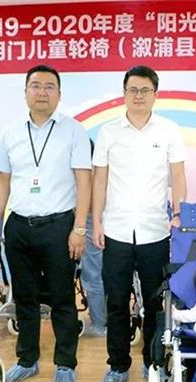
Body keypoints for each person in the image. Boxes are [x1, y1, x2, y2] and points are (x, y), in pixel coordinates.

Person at [0, 64, 91, 382]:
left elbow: (83, 181)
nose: (42, 92)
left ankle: (65, 363)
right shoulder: (10, 132)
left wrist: (79, 228)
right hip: (18, 226)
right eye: (35, 86)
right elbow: (3, 179)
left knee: (62, 298)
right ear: (25, 92)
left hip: (59, 226)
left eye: (49, 86)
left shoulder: (74, 131)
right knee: (24, 297)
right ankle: (27, 360)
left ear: (59, 93)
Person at [92, 65, 187, 382]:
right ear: (124, 93)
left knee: (155, 301)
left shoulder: (169, 130)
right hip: (116, 230)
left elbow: (178, 176)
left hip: (155, 230)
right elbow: (100, 179)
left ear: (155, 94)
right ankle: (118, 365)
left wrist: (178, 213)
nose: (138, 96)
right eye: (133, 90)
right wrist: (96, 220)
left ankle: (153, 362)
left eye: (145, 90)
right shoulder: (108, 132)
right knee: (117, 300)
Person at [80, 139, 106, 337]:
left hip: (89, 224)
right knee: (97, 275)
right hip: (98, 222)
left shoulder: (88, 174)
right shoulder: (101, 171)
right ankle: (101, 322)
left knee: (93, 276)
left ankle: (99, 325)